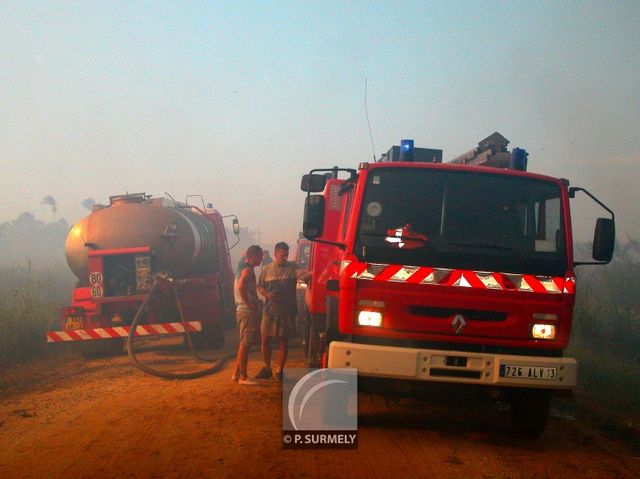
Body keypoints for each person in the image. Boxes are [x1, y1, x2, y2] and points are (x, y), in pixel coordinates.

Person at [255, 242, 311, 380]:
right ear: (275, 254)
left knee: (283, 340)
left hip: (287, 311)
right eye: (282, 255)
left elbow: (304, 276)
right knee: (265, 339)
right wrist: (268, 295)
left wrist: (312, 273)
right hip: (269, 311)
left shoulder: (292, 267)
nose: (285, 258)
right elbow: (260, 287)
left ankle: (279, 370)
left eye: (286, 255)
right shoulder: (266, 270)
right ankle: (266, 368)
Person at [232, 245, 263, 385]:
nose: (262, 258)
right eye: (260, 256)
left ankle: (236, 373)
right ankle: (243, 377)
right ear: (253, 256)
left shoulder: (241, 268)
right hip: (247, 311)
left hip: (242, 310)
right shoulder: (248, 270)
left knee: (243, 343)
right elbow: (241, 286)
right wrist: (249, 304)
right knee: (245, 344)